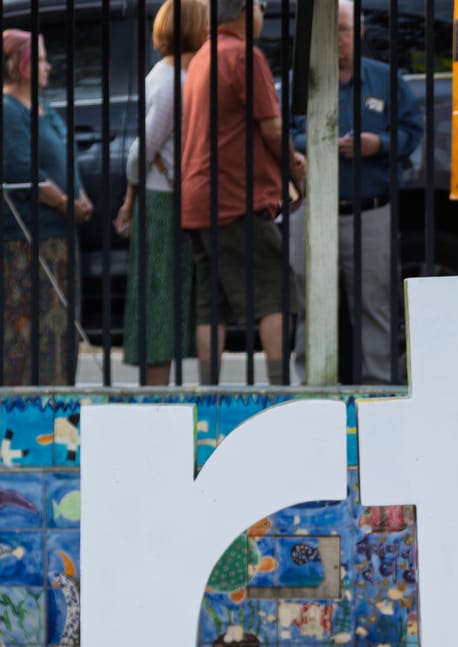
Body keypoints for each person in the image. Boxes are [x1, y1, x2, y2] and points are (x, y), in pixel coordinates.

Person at [286, 0, 424, 385]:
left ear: (359, 33)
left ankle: (377, 391)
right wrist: (312, 140)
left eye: (343, 30)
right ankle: (310, 390)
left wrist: (376, 143)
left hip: (370, 213)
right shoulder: (304, 80)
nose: (337, 39)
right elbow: (279, 135)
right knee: (311, 306)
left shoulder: (383, 79)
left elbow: (413, 131)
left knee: (375, 307)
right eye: (330, 31)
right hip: (314, 211)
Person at [180, 0, 306, 386]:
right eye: (261, 8)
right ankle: (279, 386)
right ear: (243, 11)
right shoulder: (243, 57)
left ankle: (208, 389)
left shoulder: (202, 57)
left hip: (198, 199)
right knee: (278, 291)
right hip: (236, 198)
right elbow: (270, 128)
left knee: (210, 303)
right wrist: (296, 166)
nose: (263, 16)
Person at [114, 0, 209, 385]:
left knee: (162, 296)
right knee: (162, 297)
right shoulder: (175, 82)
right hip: (164, 201)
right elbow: (142, 149)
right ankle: (157, 394)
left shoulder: (161, 74)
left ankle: (158, 390)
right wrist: (131, 195)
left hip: (160, 194)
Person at [0, 29, 90, 387]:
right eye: (40, 59)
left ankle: (57, 403)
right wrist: (67, 203)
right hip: (27, 237)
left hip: (59, 233)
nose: (48, 67)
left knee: (60, 331)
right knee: (27, 332)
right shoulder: (7, 109)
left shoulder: (44, 108)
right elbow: (21, 170)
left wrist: (80, 196)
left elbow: (63, 156)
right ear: (20, 66)